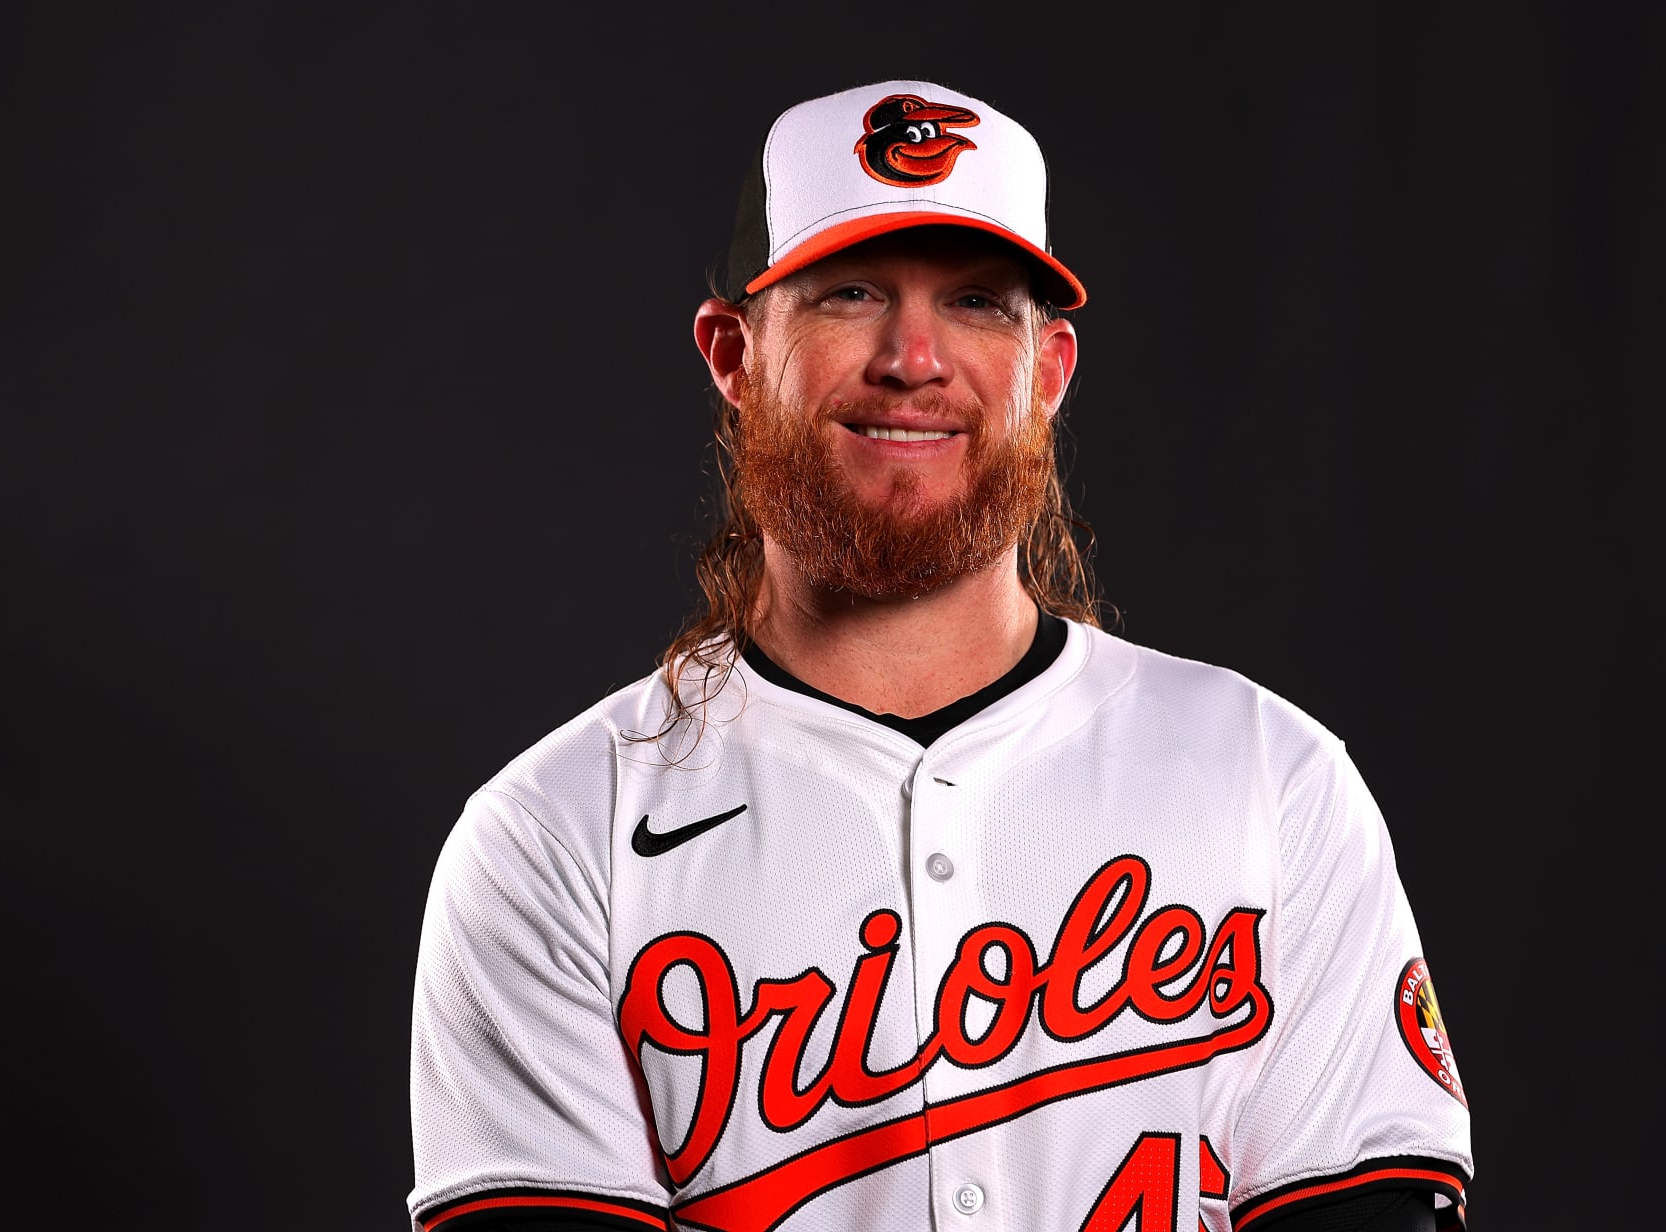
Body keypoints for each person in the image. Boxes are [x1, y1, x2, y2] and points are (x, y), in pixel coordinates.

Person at [408, 80, 1472, 1232]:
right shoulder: (556, 832)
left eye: (974, 301)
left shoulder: (1272, 778)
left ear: (1050, 369)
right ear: (732, 352)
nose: (914, 357)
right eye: (848, 292)